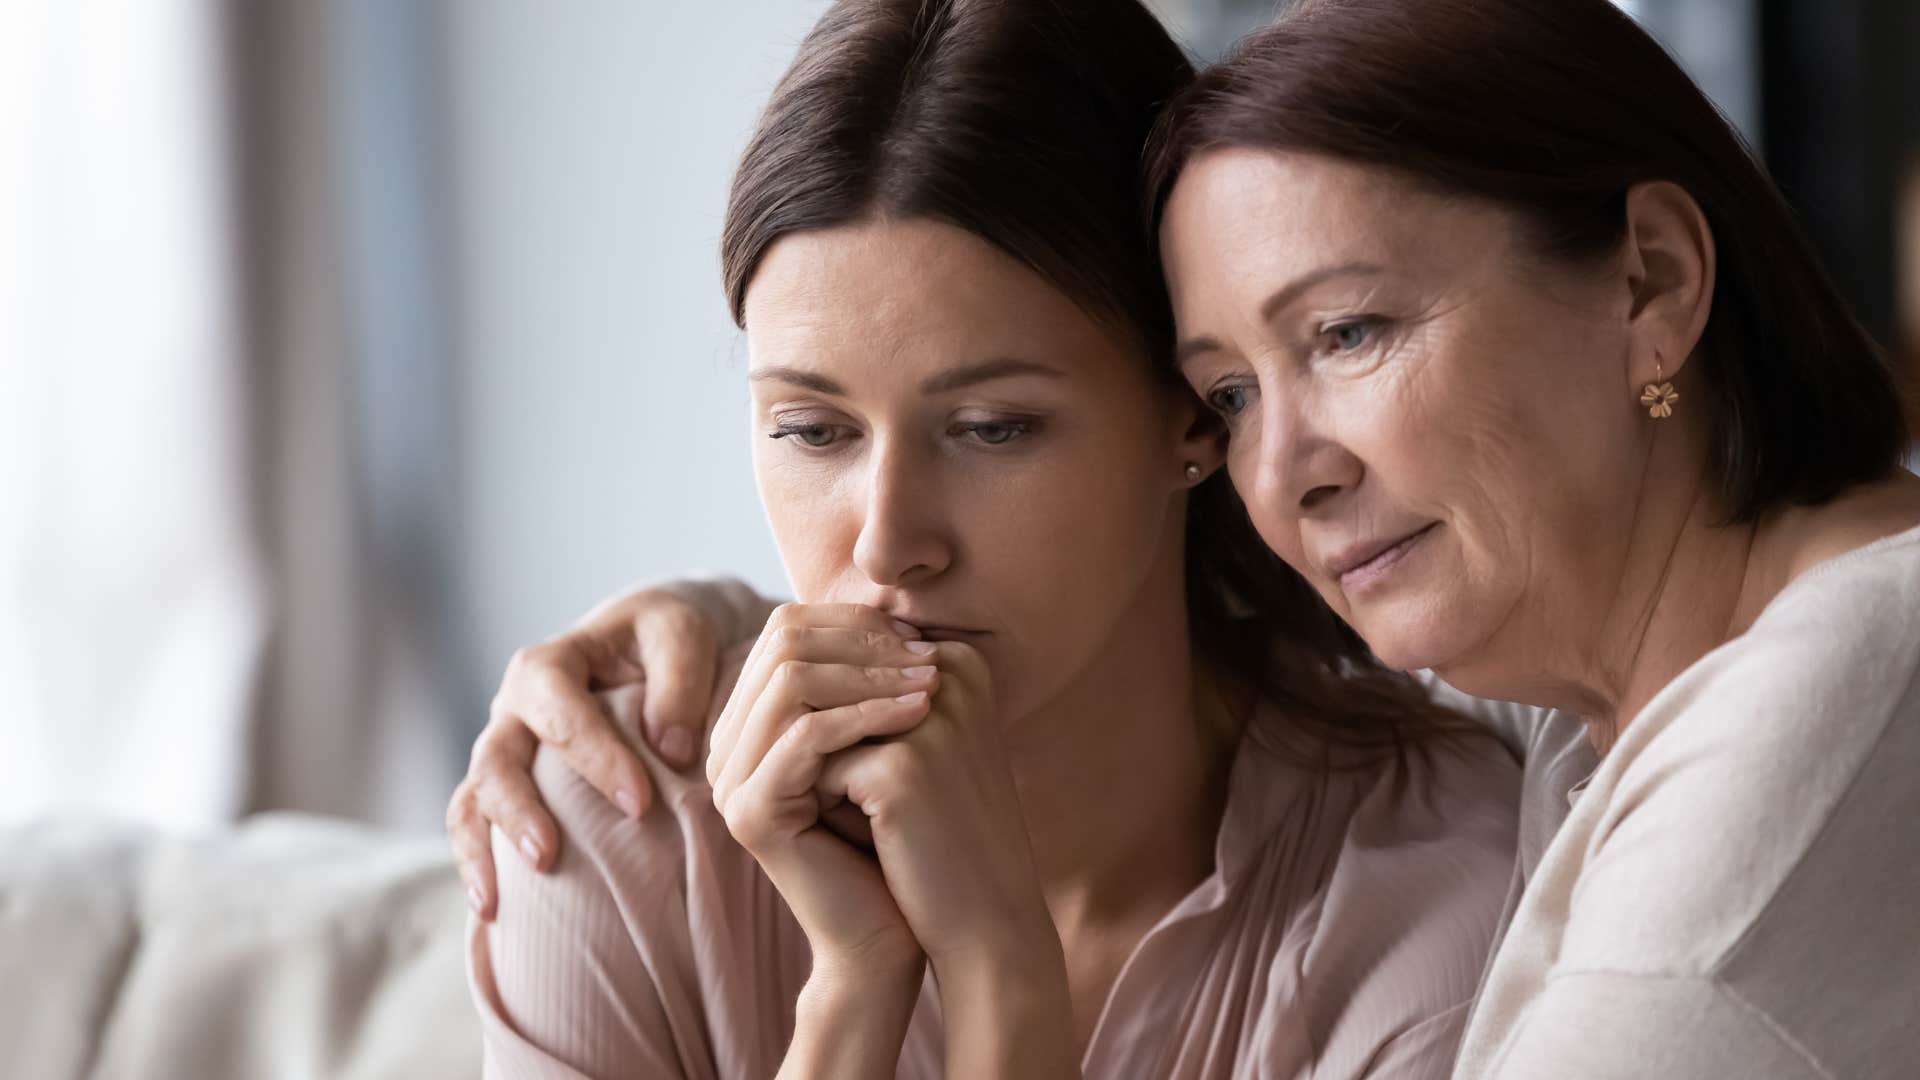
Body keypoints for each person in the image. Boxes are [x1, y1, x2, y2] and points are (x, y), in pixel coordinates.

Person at [463, 2, 1521, 1077]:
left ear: (1198, 411)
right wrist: (854, 987)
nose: (886, 544)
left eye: (991, 429)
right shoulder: (615, 830)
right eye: (813, 430)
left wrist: (1002, 982)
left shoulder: (1440, 899)